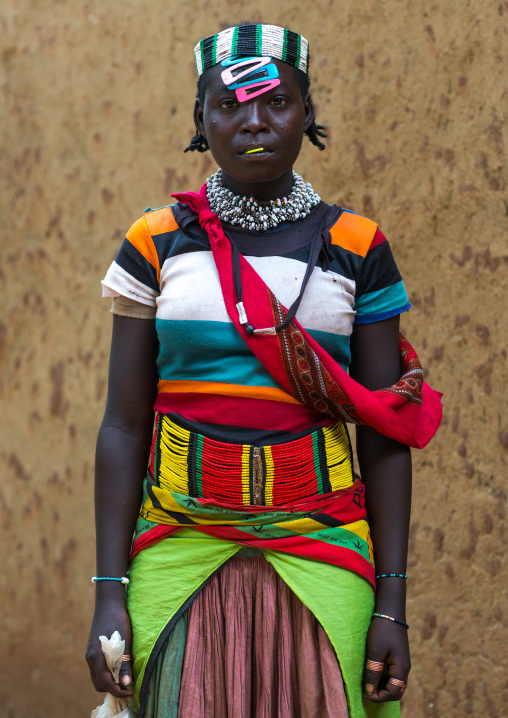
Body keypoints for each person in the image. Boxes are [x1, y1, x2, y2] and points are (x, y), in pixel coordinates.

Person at [86, 23, 442, 718]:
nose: (253, 121)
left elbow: (384, 435)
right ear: (201, 118)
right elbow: (125, 427)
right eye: (229, 104)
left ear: (307, 113)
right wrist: (109, 589)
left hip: (325, 542)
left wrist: (392, 602)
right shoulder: (155, 242)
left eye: (277, 102)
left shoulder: (356, 246)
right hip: (180, 539)